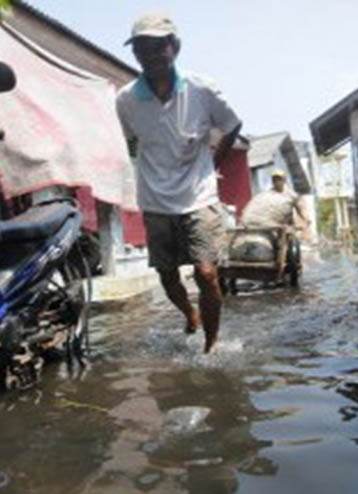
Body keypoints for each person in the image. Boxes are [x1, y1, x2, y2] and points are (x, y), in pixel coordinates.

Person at [116, 13, 242, 354]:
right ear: (135, 54)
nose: (151, 54)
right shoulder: (126, 99)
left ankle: (211, 346)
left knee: (206, 273)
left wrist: (213, 164)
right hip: (155, 200)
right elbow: (130, 142)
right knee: (167, 276)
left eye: (159, 46)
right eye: (142, 48)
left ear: (175, 47)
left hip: (199, 197)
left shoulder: (201, 88)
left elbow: (231, 125)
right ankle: (190, 314)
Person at [240, 170, 308, 281]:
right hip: (273, 224)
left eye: (279, 179)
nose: (277, 182)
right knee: (279, 239)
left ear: (284, 181)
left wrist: (305, 221)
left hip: (284, 222)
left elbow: (301, 208)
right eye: (275, 180)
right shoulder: (268, 195)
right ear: (272, 181)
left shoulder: (290, 195)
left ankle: (289, 262)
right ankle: (279, 264)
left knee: (289, 238)